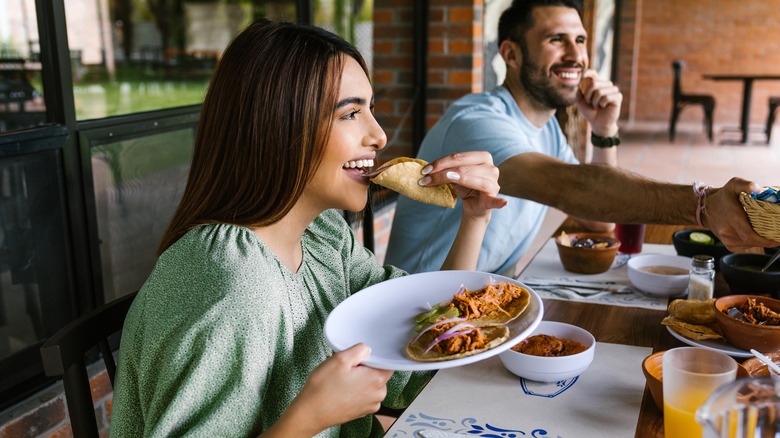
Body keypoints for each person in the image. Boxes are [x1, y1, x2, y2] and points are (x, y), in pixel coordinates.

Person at [109, 20, 506, 437]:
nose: (380, 135)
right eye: (351, 113)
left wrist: (474, 218)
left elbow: (421, 348)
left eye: (372, 109)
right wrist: (308, 419)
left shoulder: (323, 237)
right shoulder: (229, 282)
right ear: (279, 126)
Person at [385, 0, 779, 275]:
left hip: (480, 304)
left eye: (581, 40)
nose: (576, 55)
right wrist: (702, 205)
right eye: (556, 39)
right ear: (512, 54)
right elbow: (570, 188)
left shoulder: (546, 127)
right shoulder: (477, 121)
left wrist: (604, 132)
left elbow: (596, 221)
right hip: (421, 315)